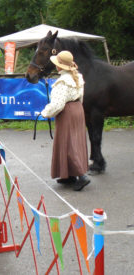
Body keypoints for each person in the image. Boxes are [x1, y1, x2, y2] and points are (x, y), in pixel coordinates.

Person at [40, 50, 90, 191]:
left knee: (67, 143)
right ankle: (68, 175)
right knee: (75, 141)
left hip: (67, 112)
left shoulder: (62, 82)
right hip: (78, 109)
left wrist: (45, 113)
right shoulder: (78, 77)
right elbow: (81, 96)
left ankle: (81, 176)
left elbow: (57, 105)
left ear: (59, 66)